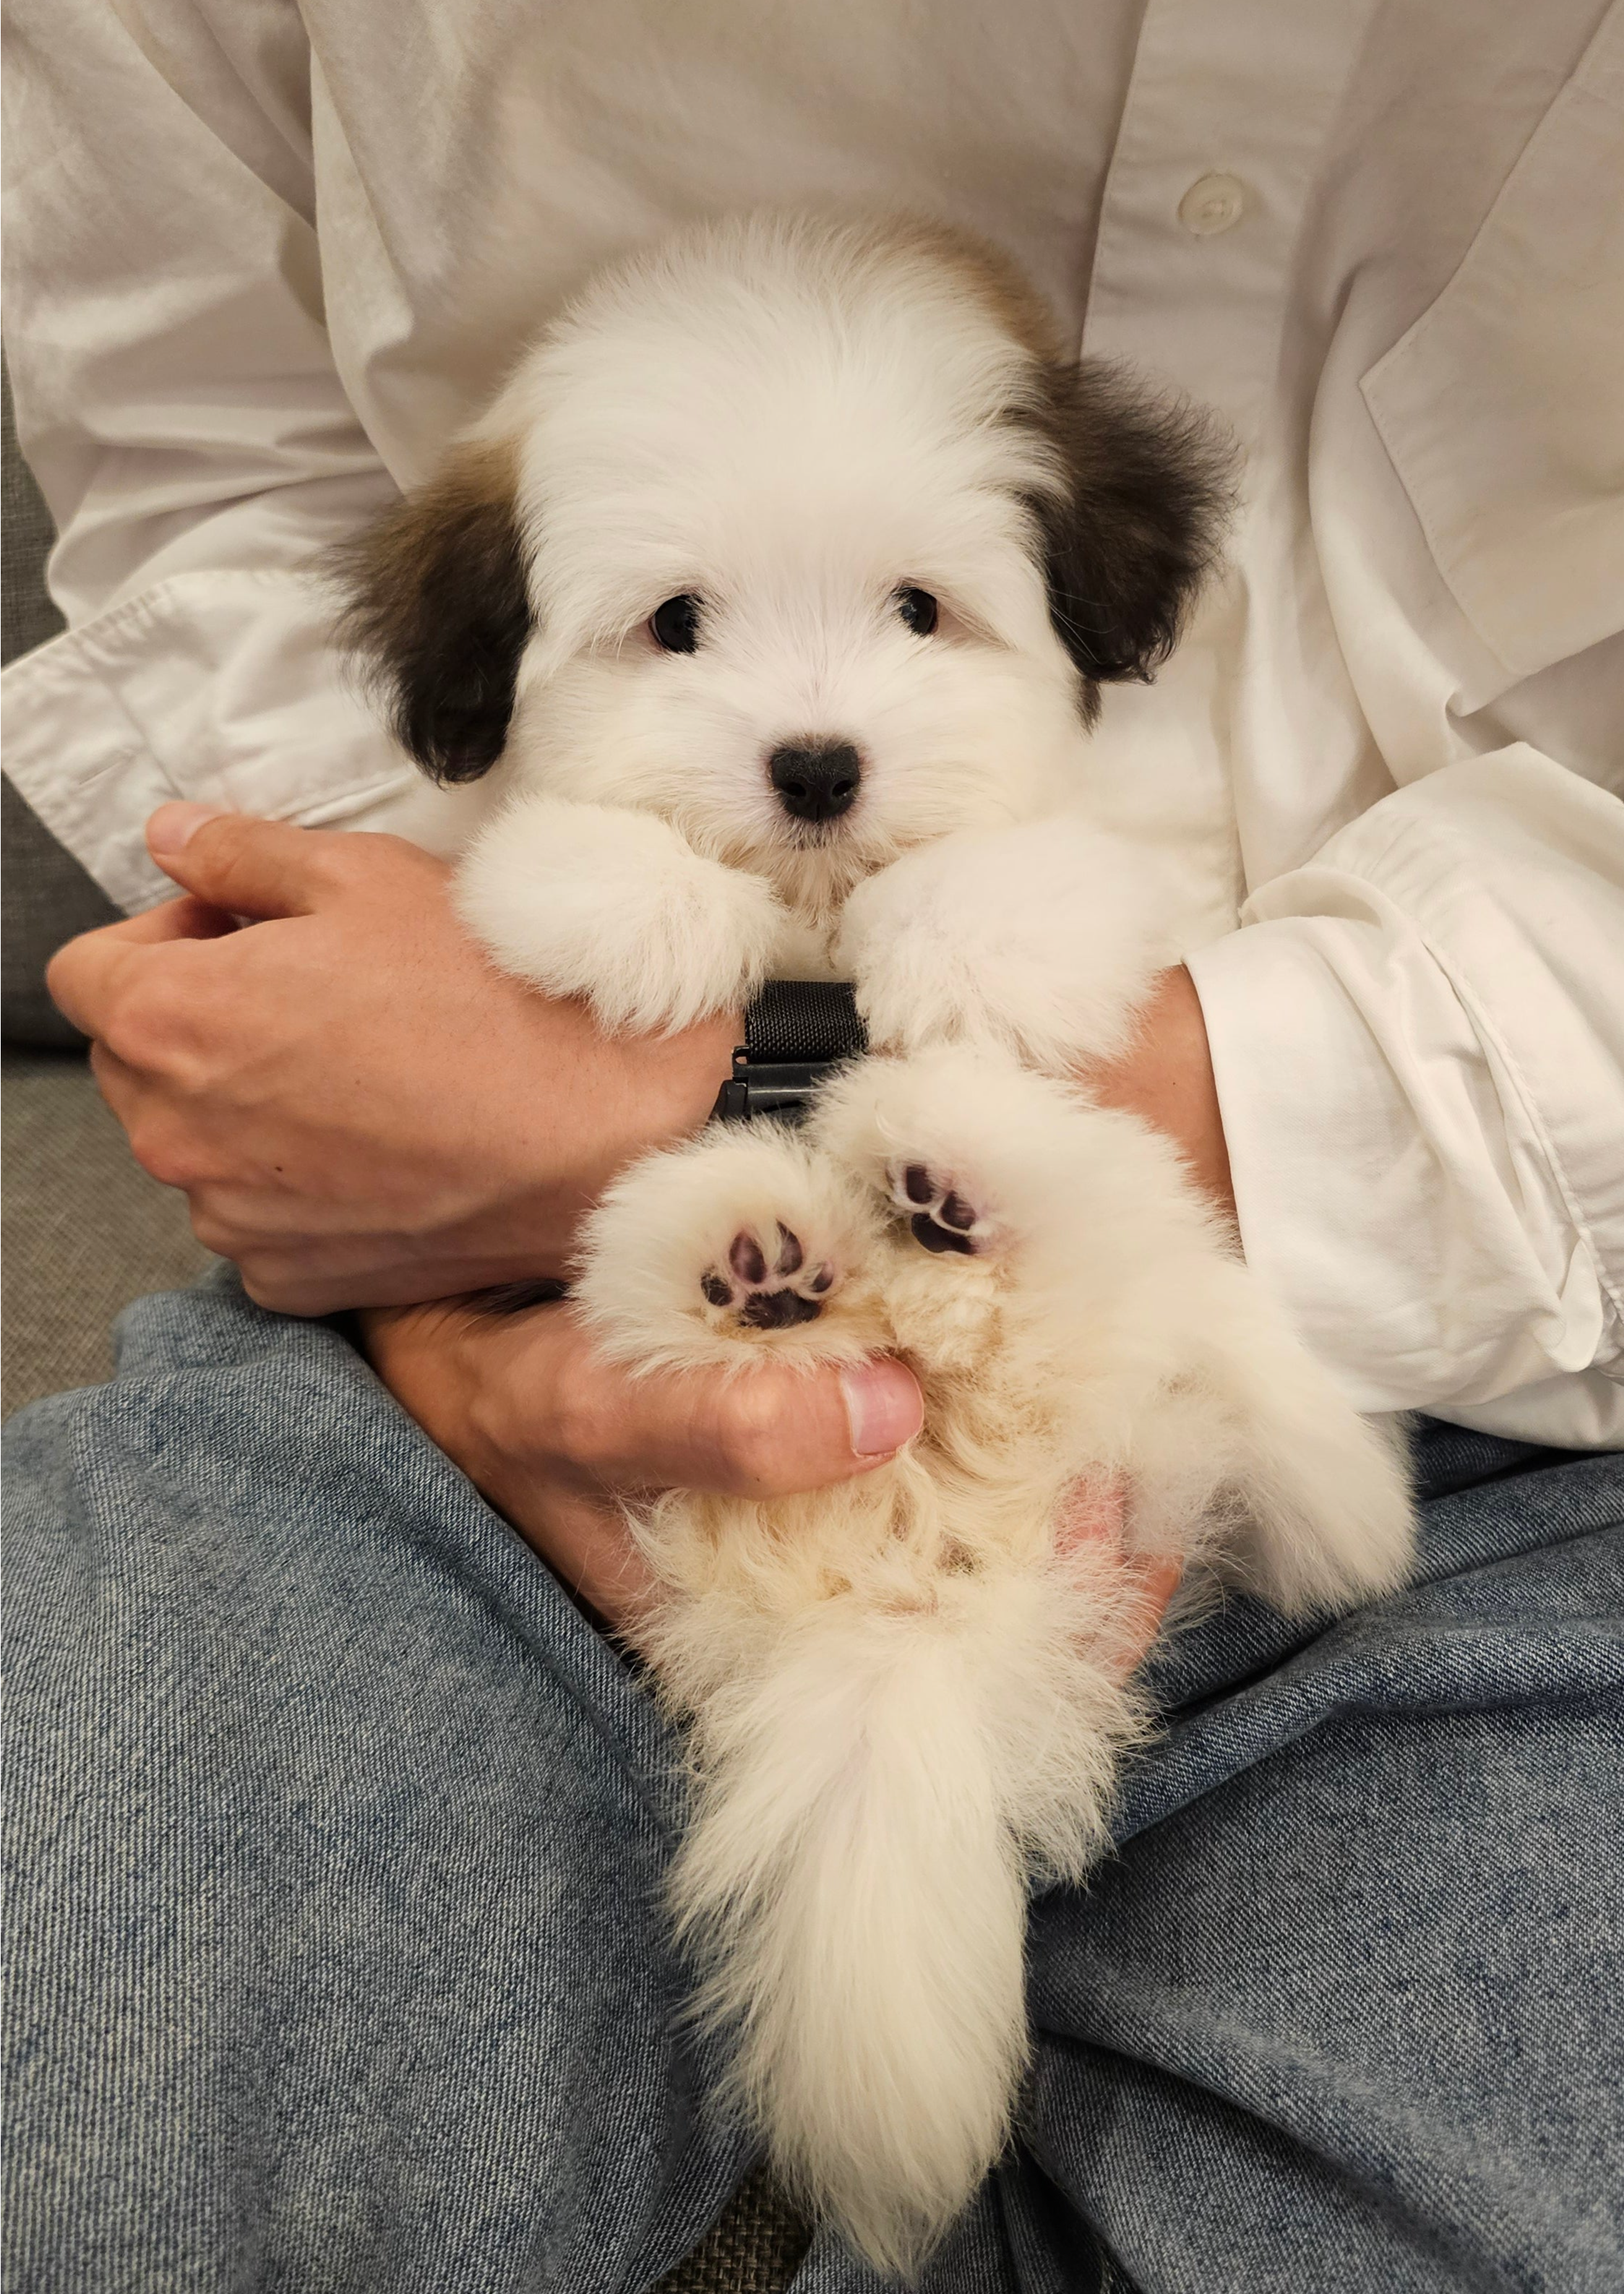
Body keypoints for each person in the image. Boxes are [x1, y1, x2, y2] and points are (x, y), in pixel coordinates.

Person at [3, 4, 1621, 2289]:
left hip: (1550, 1402)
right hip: (495, 1310)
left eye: (911, 611)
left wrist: (697, 1079)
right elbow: (207, 457)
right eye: (676, 623)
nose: (814, 727)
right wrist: (437, 1137)